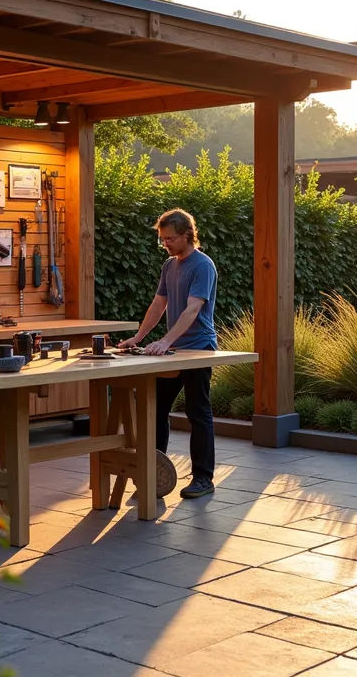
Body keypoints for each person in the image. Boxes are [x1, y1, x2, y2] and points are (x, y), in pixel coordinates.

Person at [118, 208, 218, 499]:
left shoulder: (203, 266)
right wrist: (139, 337)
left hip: (199, 347)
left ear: (188, 235)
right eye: (162, 240)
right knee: (156, 409)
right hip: (173, 349)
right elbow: (159, 304)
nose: (166, 244)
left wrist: (165, 341)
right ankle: (153, 475)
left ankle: (203, 478)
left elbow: (193, 309)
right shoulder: (169, 266)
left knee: (198, 411)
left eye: (170, 239)